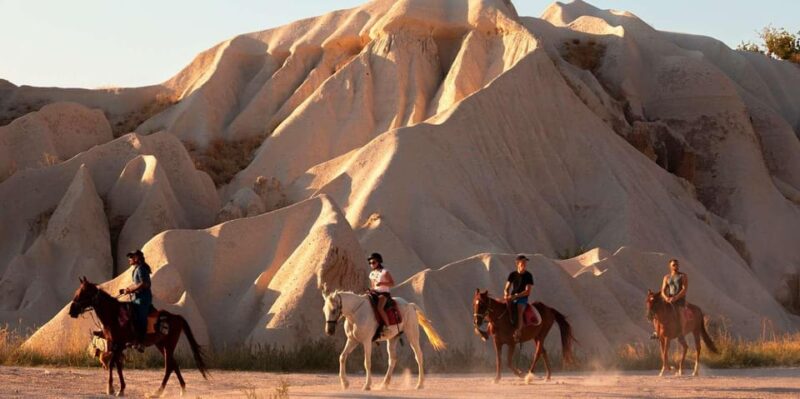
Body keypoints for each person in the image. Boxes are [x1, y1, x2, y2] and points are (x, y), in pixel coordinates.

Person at [120, 250, 152, 349]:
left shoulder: (141, 269)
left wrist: (130, 290)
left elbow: (144, 284)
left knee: (141, 317)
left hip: (143, 298)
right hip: (137, 298)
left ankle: (141, 342)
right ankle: (132, 338)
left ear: (136, 258)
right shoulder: (137, 269)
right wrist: (127, 289)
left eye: (131, 257)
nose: (129, 259)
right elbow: (136, 284)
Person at [651, 258, 688, 339]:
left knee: (681, 313)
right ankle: (657, 331)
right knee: (656, 313)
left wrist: (676, 297)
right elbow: (663, 290)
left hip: (680, 300)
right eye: (674, 265)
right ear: (670, 266)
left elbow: (684, 289)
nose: (676, 266)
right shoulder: (666, 277)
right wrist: (666, 297)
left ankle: (681, 331)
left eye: (677, 264)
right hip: (669, 299)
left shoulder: (683, 276)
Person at [504, 254, 534, 341]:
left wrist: (516, 296)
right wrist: (506, 294)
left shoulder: (528, 275)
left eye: (525, 262)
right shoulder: (512, 274)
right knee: (502, 307)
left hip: (522, 297)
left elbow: (527, 291)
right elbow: (507, 287)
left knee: (520, 310)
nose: (524, 264)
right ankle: (489, 330)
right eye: (523, 262)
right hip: (512, 296)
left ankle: (518, 331)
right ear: (517, 264)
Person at [368, 253, 395, 339]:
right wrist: (370, 290)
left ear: (379, 262)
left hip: (384, 294)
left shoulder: (385, 272)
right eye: (370, 263)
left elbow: (392, 283)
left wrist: (382, 283)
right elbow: (373, 286)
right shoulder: (371, 274)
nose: (371, 264)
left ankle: (387, 327)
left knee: (380, 307)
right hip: (375, 293)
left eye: (373, 262)